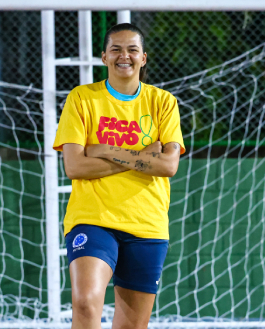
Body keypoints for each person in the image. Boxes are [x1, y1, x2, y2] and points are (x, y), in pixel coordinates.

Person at [52, 23, 186, 329]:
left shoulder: (163, 102)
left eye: (132, 49)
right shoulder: (82, 99)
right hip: (93, 218)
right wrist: (142, 156)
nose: (124, 56)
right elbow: (74, 167)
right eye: (116, 49)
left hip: (147, 224)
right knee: (86, 303)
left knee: (131, 326)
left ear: (144, 58)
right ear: (103, 57)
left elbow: (168, 166)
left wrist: (105, 149)